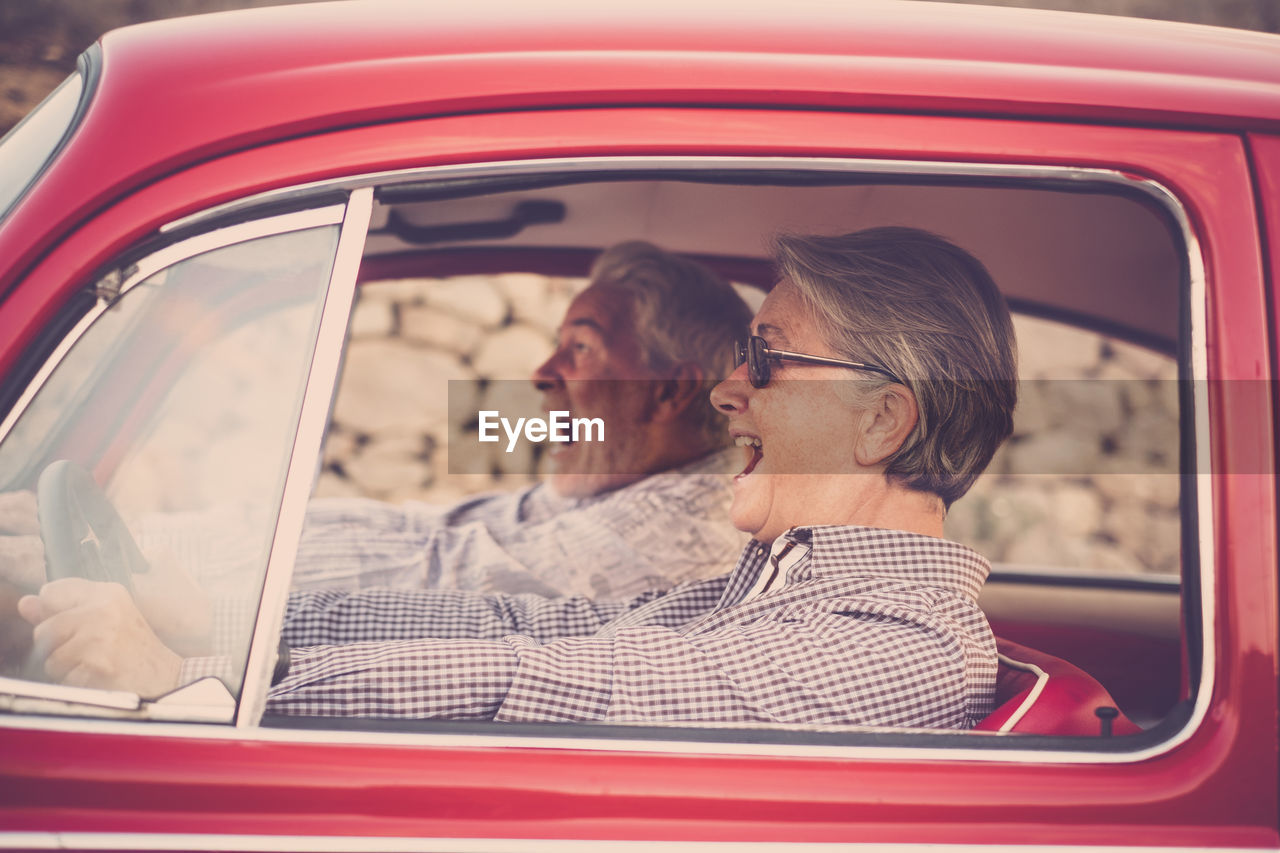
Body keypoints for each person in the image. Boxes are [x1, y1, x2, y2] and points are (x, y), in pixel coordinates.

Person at [18, 226, 1018, 729]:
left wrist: (191, 691)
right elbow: (515, 628)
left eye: (765, 360)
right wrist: (215, 626)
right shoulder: (770, 586)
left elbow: (546, 686)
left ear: (882, 418)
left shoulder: (895, 651)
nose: (728, 396)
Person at [290, 240, 752, 600]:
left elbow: (439, 573)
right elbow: (435, 526)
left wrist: (250, 566)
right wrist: (269, 526)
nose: (542, 373)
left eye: (582, 348)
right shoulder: (626, 482)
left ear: (670, 391)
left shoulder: (683, 528)